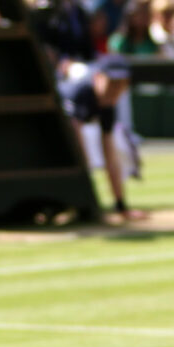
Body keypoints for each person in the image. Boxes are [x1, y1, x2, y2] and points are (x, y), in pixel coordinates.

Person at [63, 54, 145, 224]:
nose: (115, 89)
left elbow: (110, 157)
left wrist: (121, 206)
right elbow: (77, 147)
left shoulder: (108, 105)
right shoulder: (80, 92)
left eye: (120, 84)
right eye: (112, 83)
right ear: (98, 78)